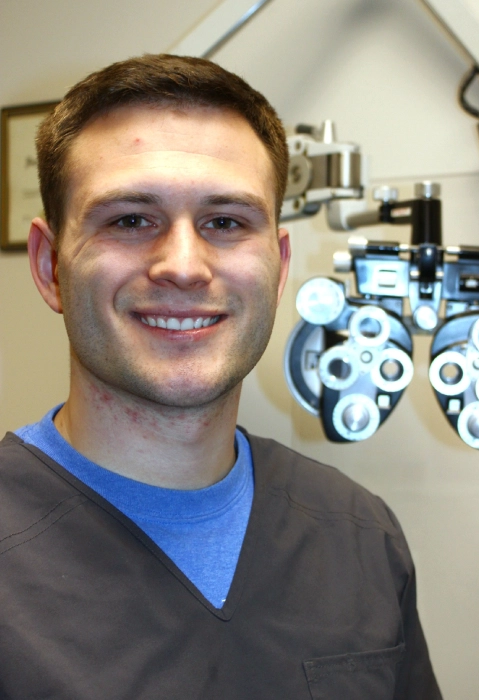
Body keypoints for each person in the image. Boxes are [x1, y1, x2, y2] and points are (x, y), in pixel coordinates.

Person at [0, 54, 442, 699]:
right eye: (130, 219)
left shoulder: (358, 534)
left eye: (226, 222)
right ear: (49, 267)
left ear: (278, 265)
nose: (183, 265)